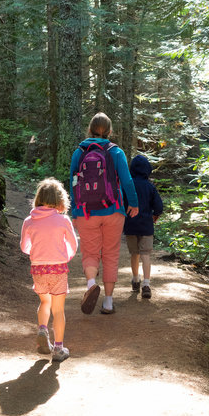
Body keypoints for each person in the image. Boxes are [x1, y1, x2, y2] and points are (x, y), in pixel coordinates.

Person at [70, 112, 139, 315]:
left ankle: (91, 284)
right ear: (109, 131)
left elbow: (73, 183)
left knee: (90, 253)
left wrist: (75, 211)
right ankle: (108, 302)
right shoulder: (116, 152)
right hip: (114, 210)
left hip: (86, 212)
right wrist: (133, 203)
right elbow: (127, 181)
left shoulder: (79, 152)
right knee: (110, 254)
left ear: (89, 130)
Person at [20, 177, 78, 362]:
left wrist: (36, 253)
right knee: (58, 310)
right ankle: (59, 349)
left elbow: (24, 247)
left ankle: (42, 330)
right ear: (60, 200)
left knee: (44, 302)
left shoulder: (29, 220)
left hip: (38, 268)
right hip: (58, 268)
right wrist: (64, 256)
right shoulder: (63, 220)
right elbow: (73, 245)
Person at [124, 154, 163, 299]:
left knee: (134, 254)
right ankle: (146, 284)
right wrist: (155, 215)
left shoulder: (127, 185)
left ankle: (135, 279)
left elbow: (122, 203)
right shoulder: (150, 187)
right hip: (146, 225)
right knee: (145, 254)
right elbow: (159, 206)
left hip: (130, 224)